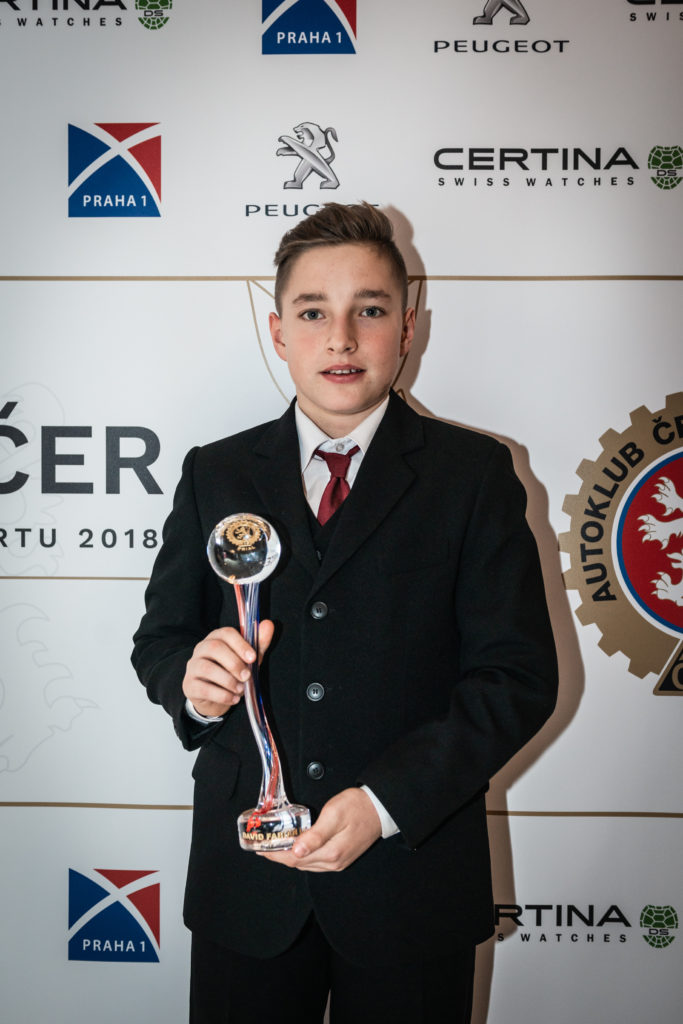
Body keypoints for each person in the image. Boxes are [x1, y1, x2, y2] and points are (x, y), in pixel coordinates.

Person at [132, 202, 558, 1023]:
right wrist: (193, 684)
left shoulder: (473, 476)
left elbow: (515, 678)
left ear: (407, 328)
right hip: (246, 884)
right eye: (312, 313)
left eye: (368, 310)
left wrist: (384, 803)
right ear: (277, 331)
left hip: (411, 880)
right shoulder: (214, 473)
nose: (340, 338)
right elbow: (162, 638)